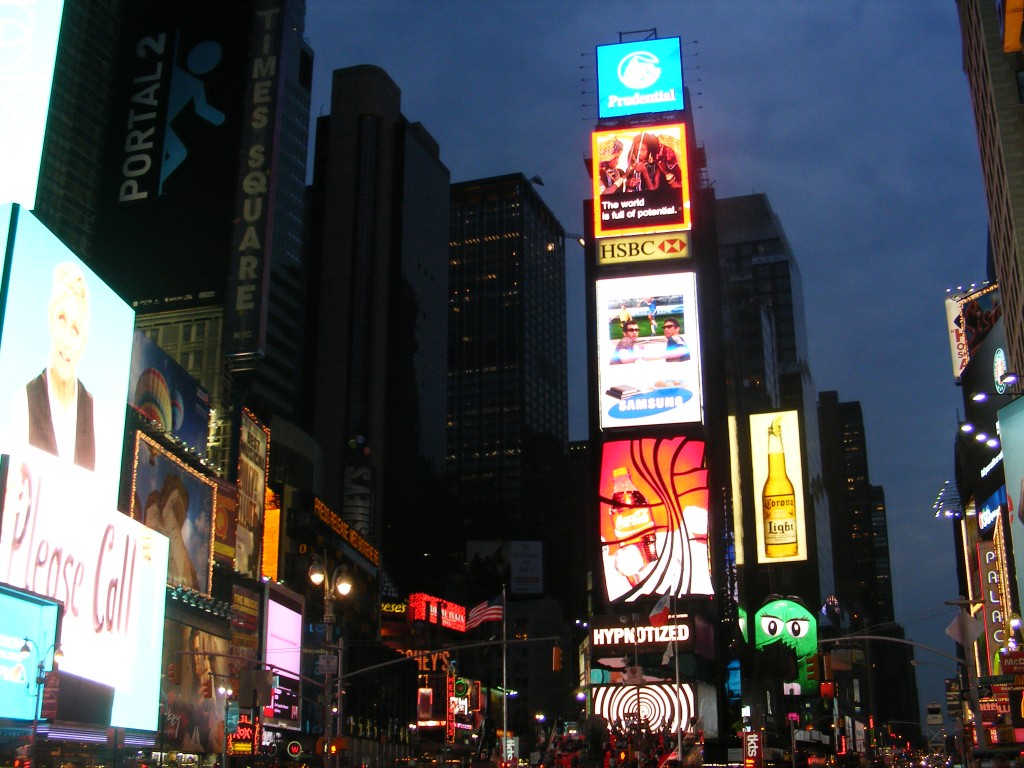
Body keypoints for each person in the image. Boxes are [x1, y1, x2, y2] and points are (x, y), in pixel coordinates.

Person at [15, 262, 96, 469]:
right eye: (62, 319)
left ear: (84, 342)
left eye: (76, 329)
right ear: (51, 320)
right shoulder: (23, 401)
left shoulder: (95, 415)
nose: (67, 340)